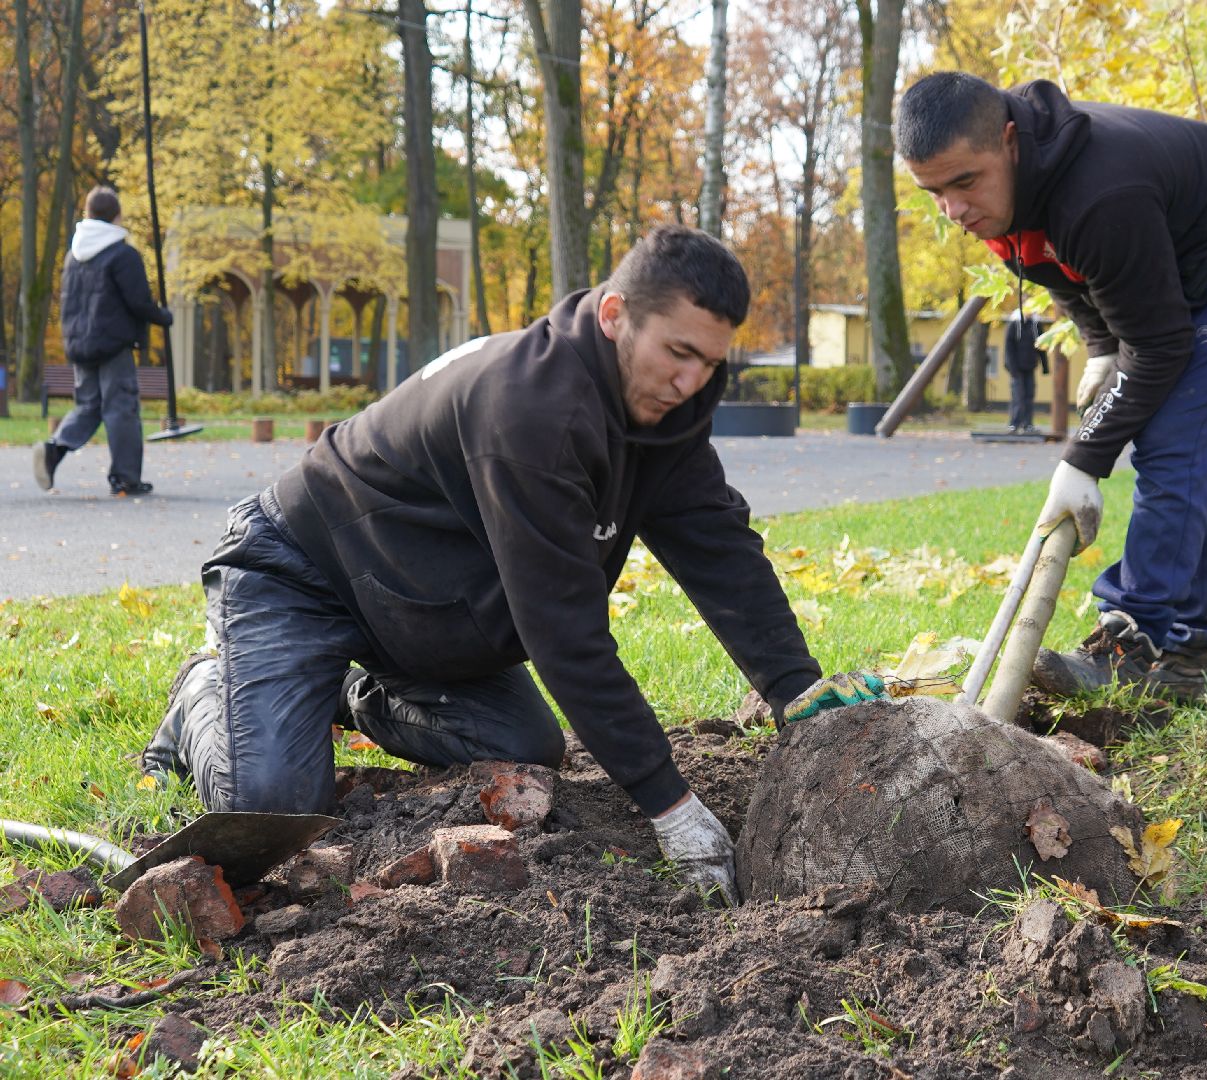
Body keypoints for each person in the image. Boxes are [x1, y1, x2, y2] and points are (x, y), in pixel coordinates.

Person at [141, 225, 876, 904]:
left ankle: (332, 690)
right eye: (678, 353)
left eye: (711, 363)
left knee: (524, 747)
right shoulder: (532, 411)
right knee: (270, 807)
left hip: (409, 607)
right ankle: (207, 688)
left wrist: (793, 685)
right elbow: (564, 632)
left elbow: (715, 543)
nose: (691, 383)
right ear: (615, 314)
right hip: (301, 569)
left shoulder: (663, 408)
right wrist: (670, 805)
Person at [897, 72, 1207, 706]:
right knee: (1195, 437)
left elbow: (1159, 346)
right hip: (1184, 258)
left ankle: (1134, 640)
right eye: (933, 192)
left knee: (1177, 434)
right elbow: (1059, 270)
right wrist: (1101, 347)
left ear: (1010, 142)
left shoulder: (1099, 195)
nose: (954, 209)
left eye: (964, 182)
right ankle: (1191, 662)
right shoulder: (1003, 198)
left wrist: (1083, 460)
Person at [34, 186, 172, 495]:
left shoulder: (73, 255)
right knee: (121, 407)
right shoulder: (123, 254)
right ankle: (125, 478)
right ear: (116, 216)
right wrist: (163, 317)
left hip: (80, 345)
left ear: (88, 214)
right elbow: (138, 302)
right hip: (112, 346)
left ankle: (54, 449)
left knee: (88, 406)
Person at [1003, 314, 1049, 433]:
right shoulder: (1014, 324)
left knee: (1029, 395)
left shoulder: (1035, 325)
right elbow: (1009, 347)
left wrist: (1045, 366)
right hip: (1016, 368)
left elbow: (1041, 345)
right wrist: (1011, 367)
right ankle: (1014, 423)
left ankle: (1027, 424)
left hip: (1030, 366)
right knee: (1018, 396)